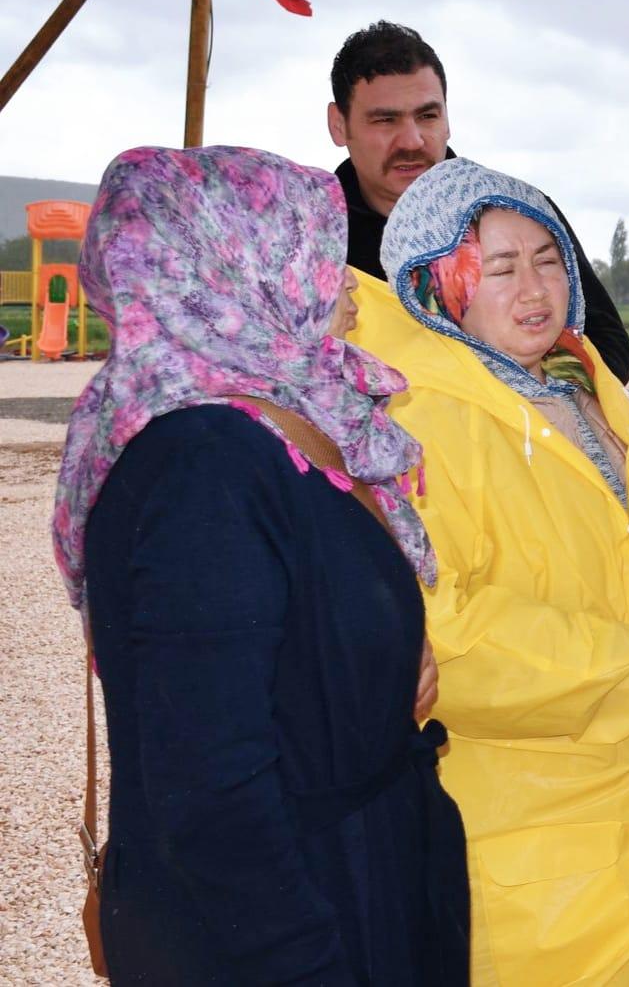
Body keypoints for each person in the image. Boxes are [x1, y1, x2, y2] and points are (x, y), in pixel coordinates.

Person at [55, 145, 469, 987]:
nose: (350, 282)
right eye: (319, 251)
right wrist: (302, 963)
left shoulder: (266, 429)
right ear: (235, 266)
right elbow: (210, 793)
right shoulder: (200, 463)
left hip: (342, 880)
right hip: (288, 929)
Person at [375, 156, 629, 987]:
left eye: (548, 259)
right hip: (527, 841)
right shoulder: (416, 423)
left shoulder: (590, 391)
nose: (535, 287)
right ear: (441, 287)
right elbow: (445, 631)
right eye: (500, 268)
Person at [325, 19, 629, 383]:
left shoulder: (518, 212)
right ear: (339, 125)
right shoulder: (308, 236)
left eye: (427, 116)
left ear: (447, 118)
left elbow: (610, 350)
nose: (412, 141)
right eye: (385, 120)